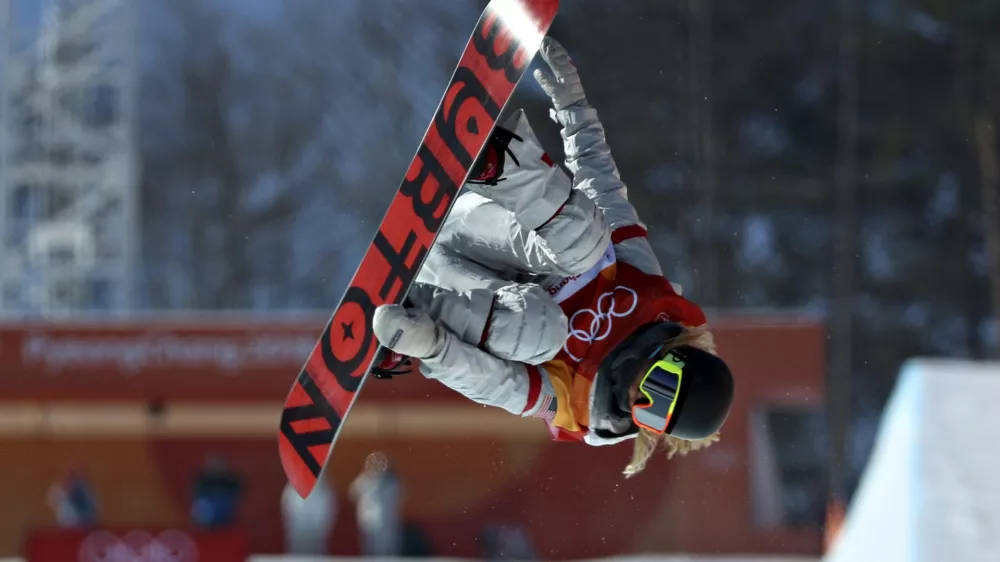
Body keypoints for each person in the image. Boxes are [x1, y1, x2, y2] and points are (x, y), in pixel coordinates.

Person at [372, 37, 735, 477]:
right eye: (661, 387)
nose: (641, 396)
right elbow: (601, 184)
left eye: (651, 415)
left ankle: (415, 315)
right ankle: (498, 162)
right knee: (590, 245)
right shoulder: (646, 291)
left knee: (542, 334)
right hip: (480, 227)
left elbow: (497, 385)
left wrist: (431, 348)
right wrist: (573, 106)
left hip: (451, 291)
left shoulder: (581, 404)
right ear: (675, 357)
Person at [349, 453, 403, 557]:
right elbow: (352, 492)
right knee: (369, 547)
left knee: (387, 547)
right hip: (368, 520)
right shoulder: (365, 479)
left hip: (387, 520)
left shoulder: (392, 482)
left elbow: (400, 496)